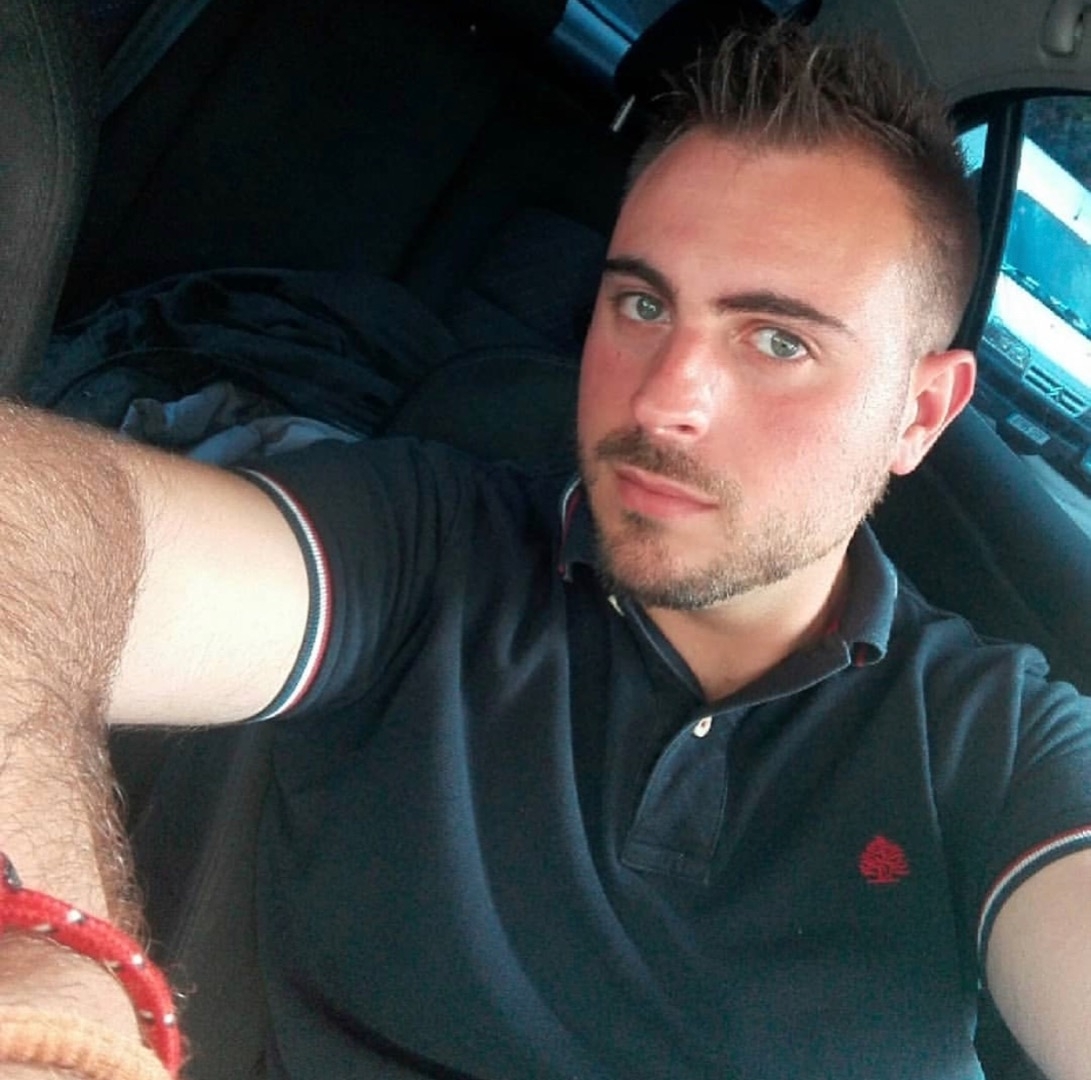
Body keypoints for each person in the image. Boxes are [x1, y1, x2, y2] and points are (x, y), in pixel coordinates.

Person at [0, 21, 1089, 1080]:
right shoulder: (424, 550)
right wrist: (62, 999)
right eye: (642, 303)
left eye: (776, 340)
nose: (662, 400)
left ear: (919, 413)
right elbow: (30, 527)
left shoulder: (997, 746)